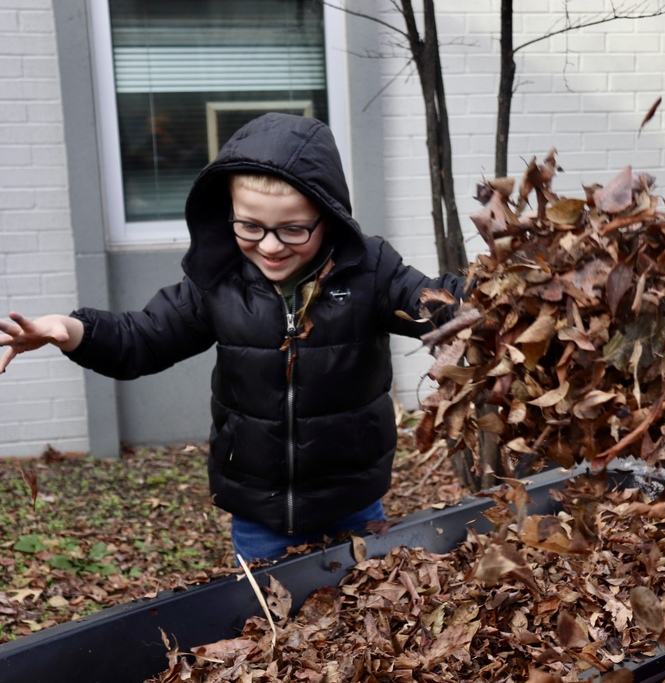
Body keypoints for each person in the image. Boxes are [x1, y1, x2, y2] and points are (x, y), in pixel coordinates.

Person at [0, 113, 464, 563]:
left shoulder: (371, 271)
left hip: (353, 502)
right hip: (259, 514)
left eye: (293, 229)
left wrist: (492, 298)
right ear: (230, 214)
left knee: (356, 609)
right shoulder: (219, 281)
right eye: (250, 226)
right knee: (269, 612)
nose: (270, 245)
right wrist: (71, 331)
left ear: (328, 215)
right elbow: (141, 339)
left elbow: (441, 306)